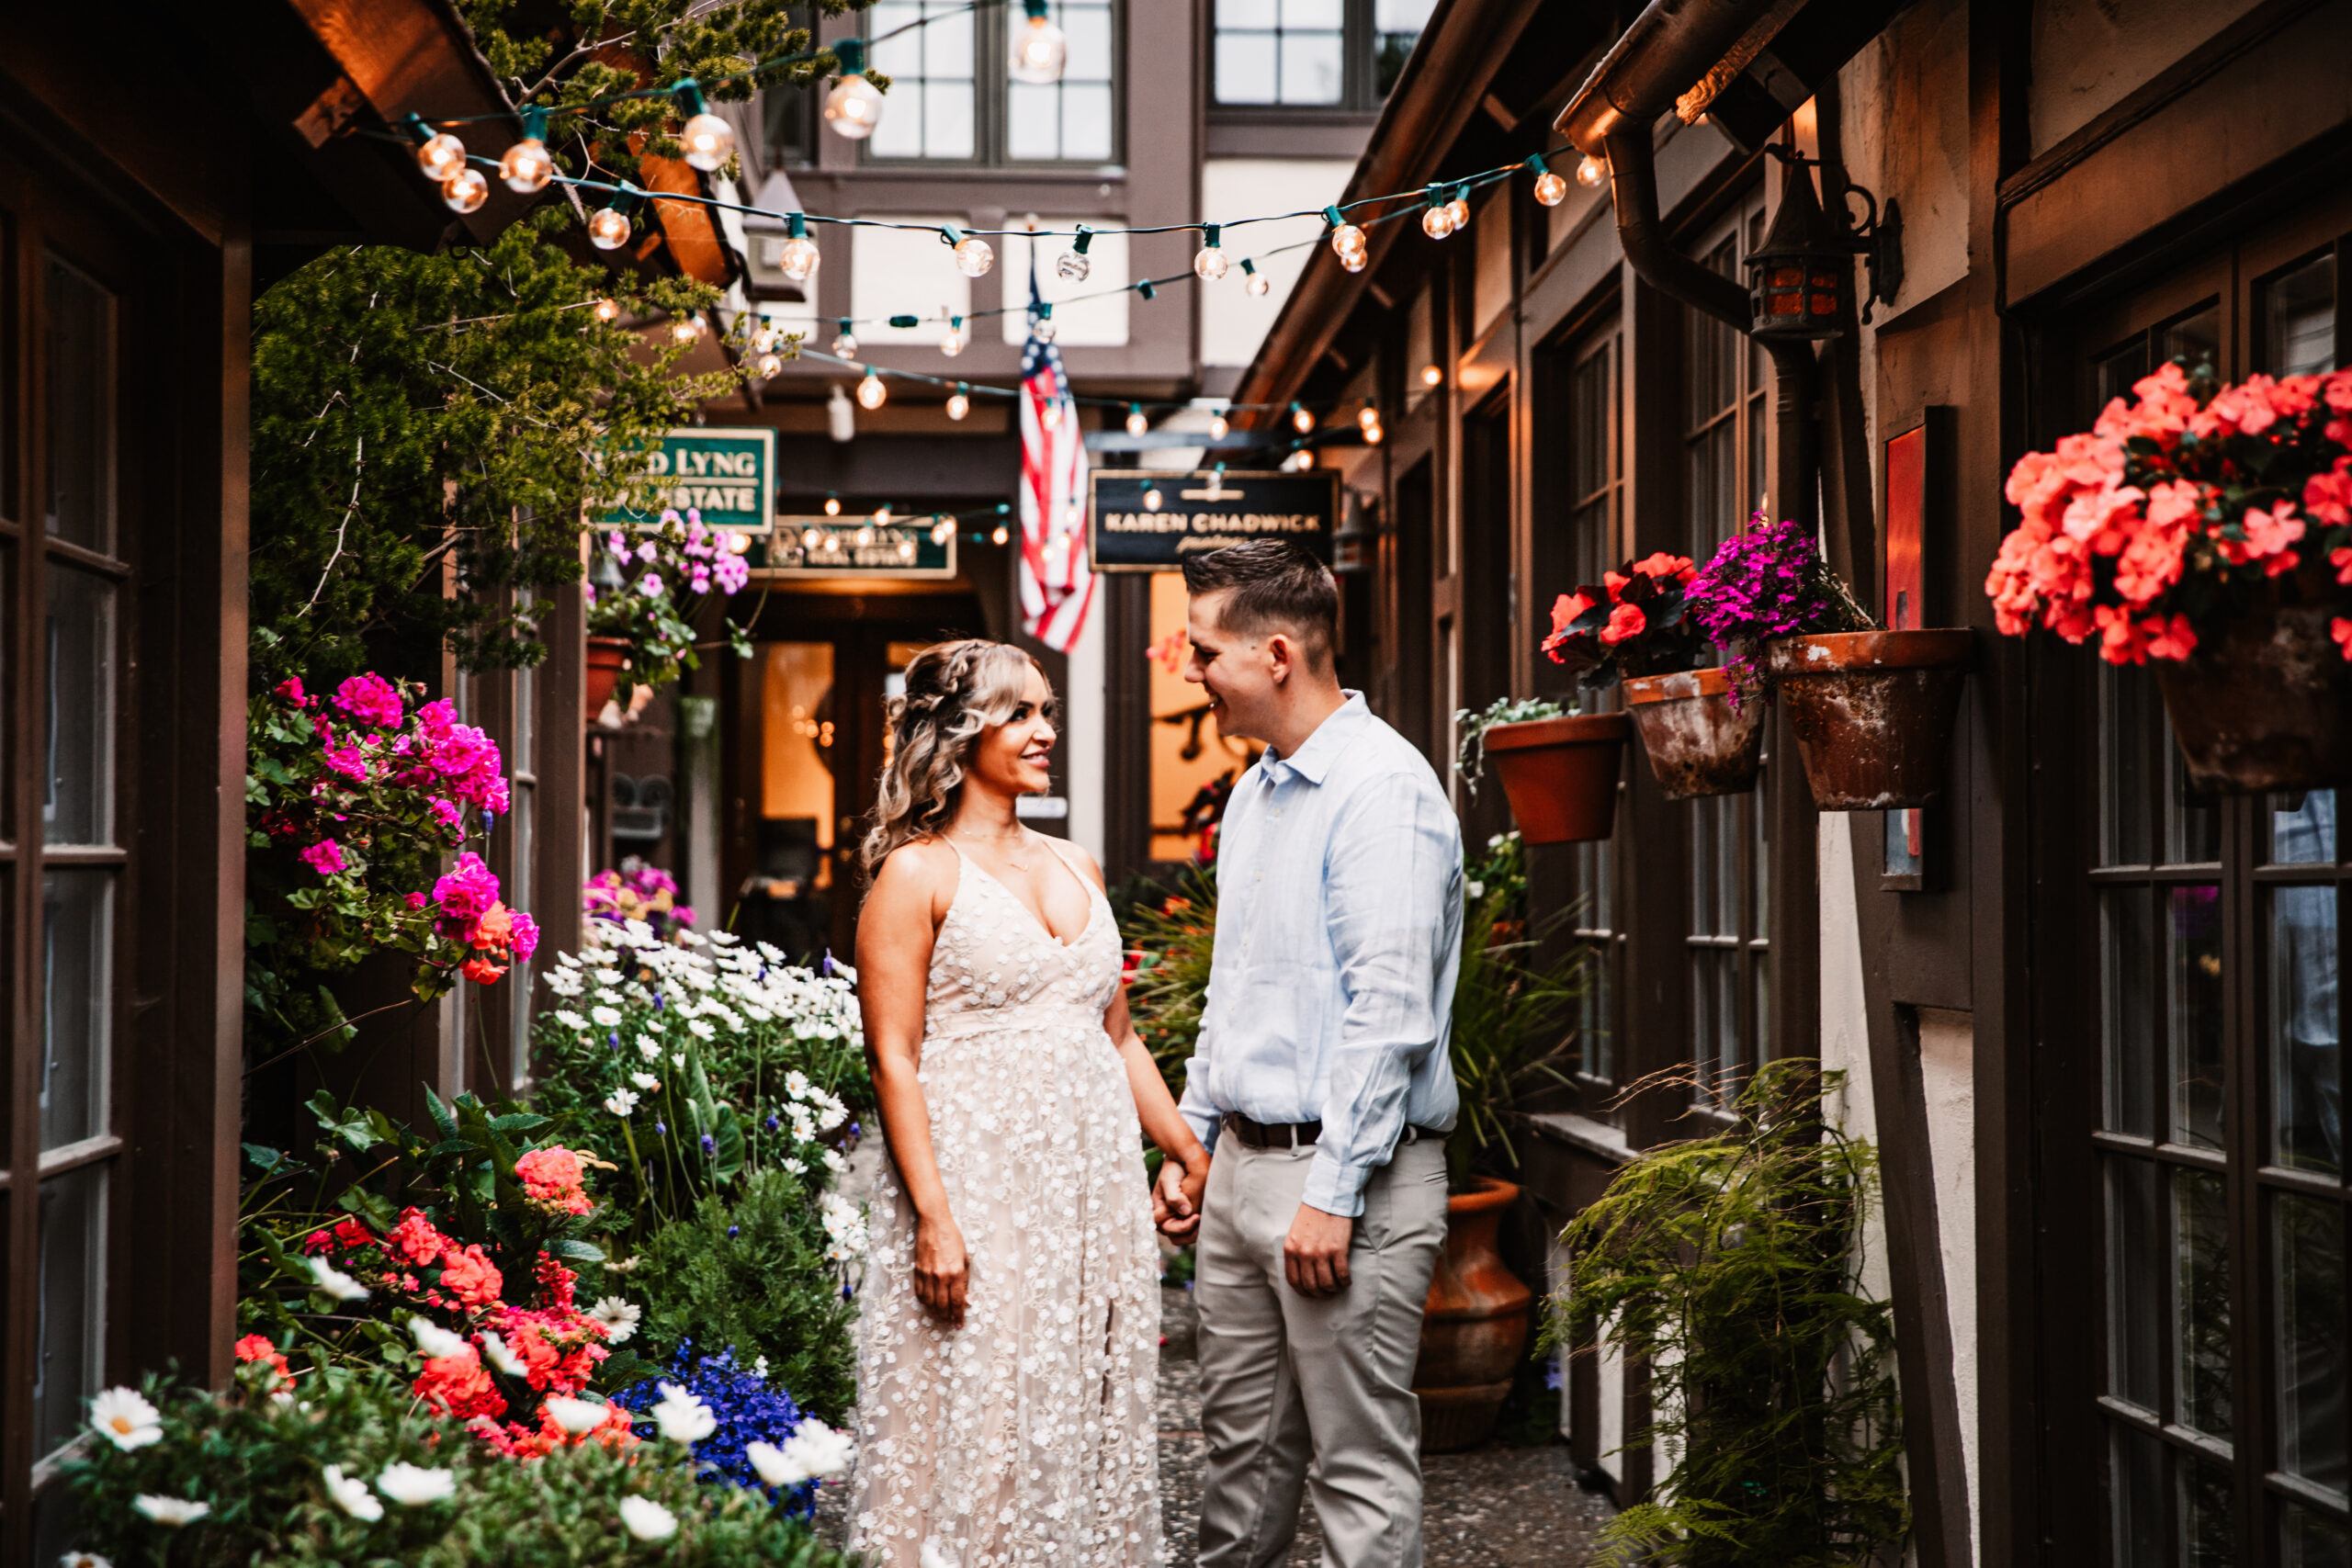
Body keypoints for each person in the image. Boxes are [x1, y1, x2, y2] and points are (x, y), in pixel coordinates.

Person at [849, 638, 1211, 1568]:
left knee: (1072, 1402)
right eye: (1020, 714)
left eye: (1046, 710)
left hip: (1087, 1195)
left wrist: (1183, 1148)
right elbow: (893, 1057)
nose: (1045, 731)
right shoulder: (915, 874)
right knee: (979, 1403)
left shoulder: (1077, 864)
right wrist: (934, 1216)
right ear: (958, 733)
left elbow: (1116, 1034)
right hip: (976, 1187)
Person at [1156, 538, 1464, 1568]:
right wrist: (1193, 1143)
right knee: (1237, 1466)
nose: (1192, 670)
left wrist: (1330, 1194)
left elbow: (1390, 1014)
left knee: (1356, 1470)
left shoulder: (1383, 792)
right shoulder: (1257, 791)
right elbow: (1234, 989)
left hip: (1351, 1185)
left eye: (1205, 652)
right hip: (1242, 1176)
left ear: (1276, 654)